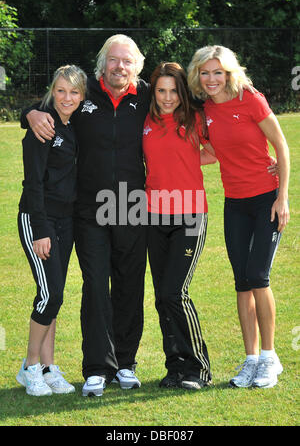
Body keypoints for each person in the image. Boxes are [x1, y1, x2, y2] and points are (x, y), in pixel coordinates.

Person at [21, 35, 151, 397]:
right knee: (95, 286)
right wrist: (28, 113)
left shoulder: (146, 95)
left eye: (127, 61)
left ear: (136, 67)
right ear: (103, 64)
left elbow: (187, 109)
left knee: (129, 286)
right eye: (113, 60)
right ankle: (97, 367)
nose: (119, 67)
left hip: (131, 206)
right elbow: (51, 104)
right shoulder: (84, 92)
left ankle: (126, 363)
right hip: (88, 211)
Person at [187, 45, 290, 389]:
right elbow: (212, 154)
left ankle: (270, 358)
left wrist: (282, 197)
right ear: (197, 76)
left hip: (265, 201)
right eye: (205, 73)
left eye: (218, 72)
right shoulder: (203, 113)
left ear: (229, 73)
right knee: (242, 280)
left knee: (258, 275)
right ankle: (250, 359)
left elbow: (281, 145)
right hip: (234, 204)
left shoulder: (250, 99)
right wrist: (167, 158)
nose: (212, 79)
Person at [143, 62, 217, 390]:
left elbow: (217, 150)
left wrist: (187, 159)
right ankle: (174, 367)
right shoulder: (144, 120)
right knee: (162, 296)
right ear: (153, 92)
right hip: (153, 216)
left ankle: (198, 367)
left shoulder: (194, 119)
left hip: (189, 216)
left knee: (175, 292)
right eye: (161, 91)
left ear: (182, 92)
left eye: (174, 91)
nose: (168, 97)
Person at [17, 64, 87, 396]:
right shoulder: (42, 125)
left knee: (55, 294)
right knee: (51, 294)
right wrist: (42, 229)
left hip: (67, 220)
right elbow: (33, 184)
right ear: (52, 90)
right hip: (38, 218)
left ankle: (48, 367)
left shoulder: (77, 124)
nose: (66, 98)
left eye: (74, 92)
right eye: (60, 90)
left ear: (82, 95)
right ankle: (30, 367)